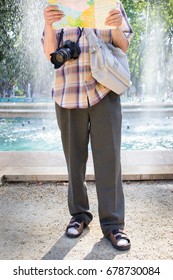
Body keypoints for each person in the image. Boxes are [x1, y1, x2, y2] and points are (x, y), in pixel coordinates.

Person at [43, 1, 133, 251]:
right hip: (67, 92)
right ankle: (79, 216)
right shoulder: (58, 5)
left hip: (105, 89)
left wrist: (115, 28)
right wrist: (48, 24)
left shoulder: (110, 3)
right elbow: (50, 53)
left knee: (110, 159)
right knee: (74, 160)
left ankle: (114, 224)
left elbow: (123, 46)